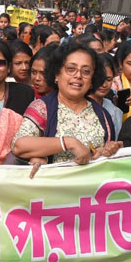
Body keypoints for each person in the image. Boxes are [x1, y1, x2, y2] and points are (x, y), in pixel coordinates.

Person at [13, 42, 120, 170]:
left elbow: (105, 159)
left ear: (92, 80)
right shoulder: (42, 108)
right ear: (57, 75)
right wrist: (68, 142)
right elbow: (19, 146)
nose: (78, 75)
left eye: (86, 71)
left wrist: (107, 151)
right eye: (71, 69)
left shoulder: (102, 114)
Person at [89, 54, 122, 138]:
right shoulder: (76, 105)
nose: (104, 84)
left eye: (108, 79)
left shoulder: (114, 111)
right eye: (99, 79)